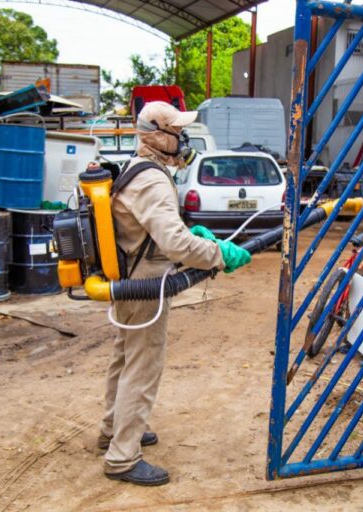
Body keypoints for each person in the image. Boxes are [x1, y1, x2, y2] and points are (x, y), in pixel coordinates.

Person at [98, 102, 251, 486]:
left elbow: (161, 234)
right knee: (143, 365)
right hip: (144, 284)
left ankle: (111, 430)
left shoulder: (136, 169)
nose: (182, 139)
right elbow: (175, 242)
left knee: (124, 357)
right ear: (156, 134)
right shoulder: (152, 180)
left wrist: (193, 240)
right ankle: (122, 456)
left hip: (130, 278)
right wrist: (218, 254)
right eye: (177, 131)